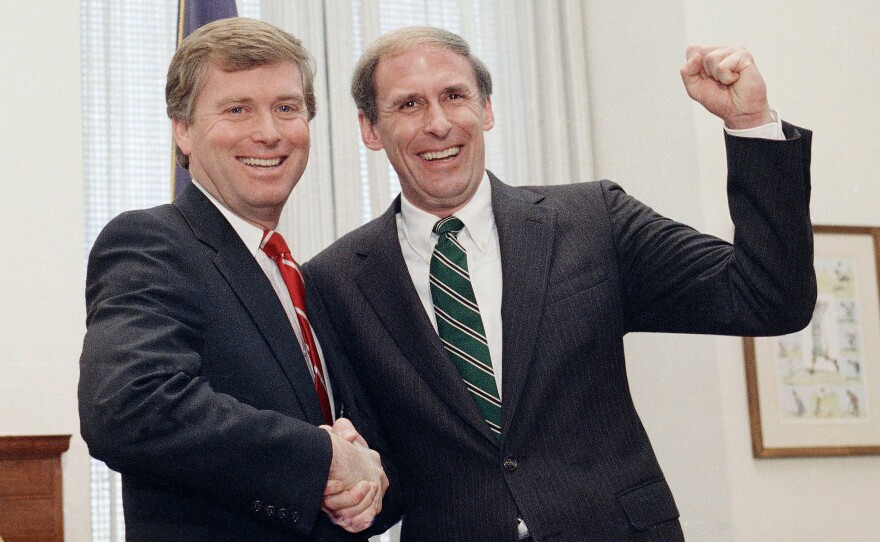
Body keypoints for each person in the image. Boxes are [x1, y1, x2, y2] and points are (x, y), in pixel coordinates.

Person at [304, 26, 815, 541]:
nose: (438, 124)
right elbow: (379, 472)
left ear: (486, 109)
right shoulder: (335, 280)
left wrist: (749, 123)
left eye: (454, 96)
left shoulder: (594, 220)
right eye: (409, 104)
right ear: (370, 129)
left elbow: (768, 299)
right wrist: (353, 488)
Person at [79, 18, 398, 541]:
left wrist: (369, 485)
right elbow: (130, 406)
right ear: (183, 129)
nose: (269, 132)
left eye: (287, 108)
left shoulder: (304, 278)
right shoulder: (152, 242)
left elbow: (355, 449)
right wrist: (322, 460)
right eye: (237, 109)